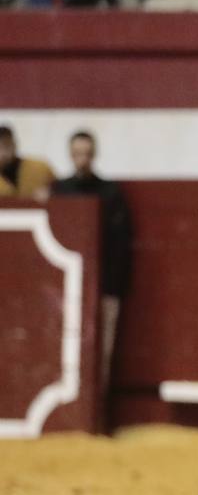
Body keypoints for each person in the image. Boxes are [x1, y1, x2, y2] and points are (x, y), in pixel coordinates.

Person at [51, 131, 133, 423]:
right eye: (77, 153)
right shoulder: (59, 190)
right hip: (65, 295)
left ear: (94, 154)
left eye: (86, 153)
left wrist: (112, 288)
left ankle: (97, 416)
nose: (82, 159)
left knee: (103, 353)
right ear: (70, 155)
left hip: (104, 286)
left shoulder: (110, 193)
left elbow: (120, 247)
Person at [0, 124, 54, 200]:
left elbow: (60, 189)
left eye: (6, 145)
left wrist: (50, 192)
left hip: (36, 210)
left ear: (14, 144)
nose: (3, 153)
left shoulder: (40, 169)